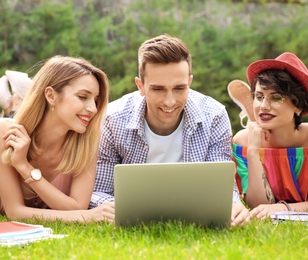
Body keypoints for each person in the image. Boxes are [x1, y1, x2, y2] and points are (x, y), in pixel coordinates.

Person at [91, 34, 250, 227]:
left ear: (190, 83)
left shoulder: (214, 115)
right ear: (140, 86)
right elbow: (100, 190)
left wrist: (233, 205)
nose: (170, 101)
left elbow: (223, 188)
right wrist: (113, 208)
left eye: (179, 88)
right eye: (158, 89)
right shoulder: (112, 119)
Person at [0, 56, 114, 223]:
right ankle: (9, 100)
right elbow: (14, 212)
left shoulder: (87, 143)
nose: (93, 109)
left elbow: (77, 207)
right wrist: (84, 216)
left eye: (96, 100)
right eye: (82, 97)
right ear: (51, 95)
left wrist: (24, 167)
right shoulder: (2, 131)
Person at [228, 52, 308, 220]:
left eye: (276, 97)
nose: (263, 106)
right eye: (258, 97)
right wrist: (253, 151)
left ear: (298, 106)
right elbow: (257, 205)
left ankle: (257, 113)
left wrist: (280, 208)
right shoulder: (243, 142)